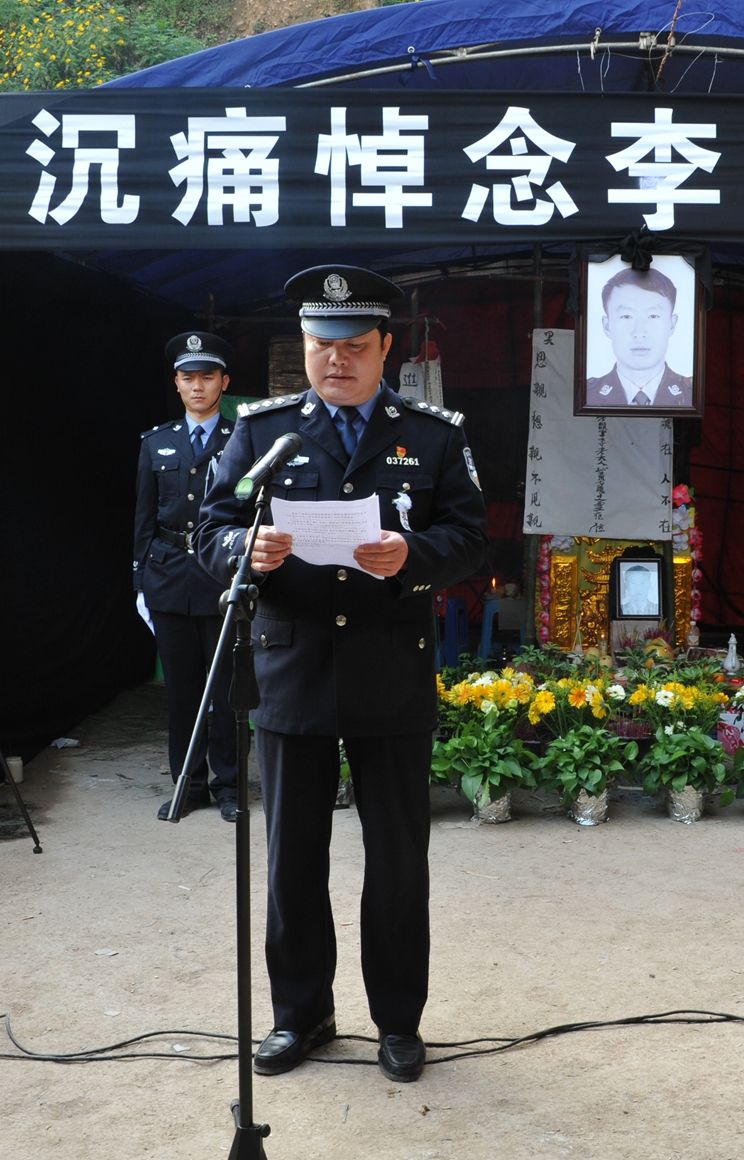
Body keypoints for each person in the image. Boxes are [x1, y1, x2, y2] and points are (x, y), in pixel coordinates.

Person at [197, 264, 486, 1083]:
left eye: (354, 346)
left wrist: (411, 554)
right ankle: (301, 1016)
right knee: (292, 858)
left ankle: (398, 1022)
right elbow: (210, 528)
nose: (336, 361)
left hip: (391, 671)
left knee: (397, 862)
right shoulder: (264, 432)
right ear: (304, 347)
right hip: (292, 669)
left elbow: (471, 538)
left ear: (387, 347)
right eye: (322, 346)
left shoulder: (434, 435)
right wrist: (245, 549)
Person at [134, 331, 239, 823]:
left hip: (222, 576)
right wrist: (140, 581)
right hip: (169, 576)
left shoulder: (241, 439)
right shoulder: (156, 442)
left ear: (224, 382)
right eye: (187, 377)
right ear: (176, 383)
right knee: (181, 692)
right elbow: (143, 518)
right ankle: (188, 784)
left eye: (207, 377)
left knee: (226, 690)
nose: (197, 386)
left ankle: (229, 784)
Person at [583, 266, 693, 409]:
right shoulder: (587, 394)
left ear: (672, 324)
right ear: (607, 325)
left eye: (653, 316)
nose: (639, 332)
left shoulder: (692, 394)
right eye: (626, 316)